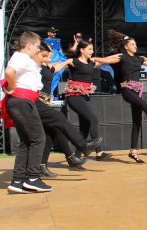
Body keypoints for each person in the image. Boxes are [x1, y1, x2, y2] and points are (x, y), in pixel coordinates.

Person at [107, 30, 147, 163]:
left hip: (137, 91)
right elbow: (106, 60)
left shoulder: (139, 59)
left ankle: (133, 151)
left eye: (135, 44)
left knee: (137, 121)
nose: (135, 46)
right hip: (127, 90)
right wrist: (93, 60)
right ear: (126, 46)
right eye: (132, 44)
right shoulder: (122, 56)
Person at [35, 43, 99, 176]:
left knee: (50, 134)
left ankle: (43, 166)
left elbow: (58, 66)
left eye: (50, 53)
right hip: (36, 102)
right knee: (60, 119)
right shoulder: (33, 67)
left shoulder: (48, 66)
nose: (50, 54)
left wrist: (67, 61)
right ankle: (81, 147)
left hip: (45, 101)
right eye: (47, 53)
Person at [4, 31, 51, 193]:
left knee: (27, 140)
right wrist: (13, 87)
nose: (38, 50)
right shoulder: (21, 57)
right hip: (22, 101)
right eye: (37, 46)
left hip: (22, 102)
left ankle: (18, 180)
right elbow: (9, 72)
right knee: (38, 139)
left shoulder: (23, 58)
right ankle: (32, 178)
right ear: (29, 45)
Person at [64, 39, 120, 160]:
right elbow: (58, 65)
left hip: (85, 97)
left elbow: (107, 60)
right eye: (90, 49)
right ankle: (98, 152)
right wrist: (52, 68)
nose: (92, 51)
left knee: (84, 127)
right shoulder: (73, 61)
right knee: (93, 119)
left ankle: (76, 158)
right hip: (74, 97)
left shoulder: (92, 61)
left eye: (92, 49)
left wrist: (122, 56)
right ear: (82, 50)